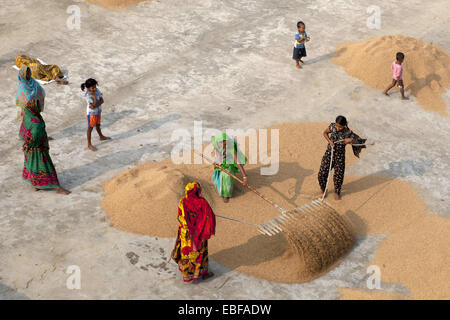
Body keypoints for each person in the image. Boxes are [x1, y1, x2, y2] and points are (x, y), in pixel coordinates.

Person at [17, 66, 70, 195]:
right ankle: (57, 186)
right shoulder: (36, 122)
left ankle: (35, 184)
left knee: (32, 165)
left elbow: (23, 132)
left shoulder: (29, 117)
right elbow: (36, 134)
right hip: (38, 148)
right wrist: (41, 143)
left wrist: (27, 144)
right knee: (47, 167)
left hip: (29, 148)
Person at [171, 182, 216, 282]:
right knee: (200, 253)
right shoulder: (202, 202)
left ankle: (187, 273)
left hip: (186, 234)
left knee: (187, 253)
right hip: (200, 234)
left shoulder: (182, 202)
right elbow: (210, 217)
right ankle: (202, 273)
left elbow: (180, 217)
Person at [318, 116, 366, 200]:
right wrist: (329, 141)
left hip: (340, 157)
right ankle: (323, 189)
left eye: (340, 126)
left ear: (344, 125)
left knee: (338, 176)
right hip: (329, 153)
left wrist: (351, 140)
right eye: (336, 125)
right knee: (322, 173)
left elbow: (358, 143)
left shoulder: (348, 132)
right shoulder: (332, 127)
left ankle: (337, 192)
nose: (337, 128)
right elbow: (325, 133)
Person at [211, 133, 248, 203]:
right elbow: (218, 155)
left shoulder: (230, 147)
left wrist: (244, 177)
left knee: (227, 176)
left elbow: (237, 162)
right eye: (224, 144)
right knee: (220, 175)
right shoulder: (216, 143)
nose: (225, 146)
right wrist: (218, 163)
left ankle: (226, 194)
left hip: (230, 159)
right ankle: (221, 191)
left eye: (226, 144)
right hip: (222, 158)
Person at [81, 78, 111, 151]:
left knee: (98, 125)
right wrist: (94, 97)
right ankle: (89, 144)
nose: (94, 88)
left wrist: (95, 105)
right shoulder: (87, 95)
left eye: (95, 87)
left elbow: (102, 101)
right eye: (92, 87)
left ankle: (101, 136)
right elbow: (92, 105)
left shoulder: (96, 90)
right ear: (88, 88)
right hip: (91, 114)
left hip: (98, 111)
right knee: (90, 128)